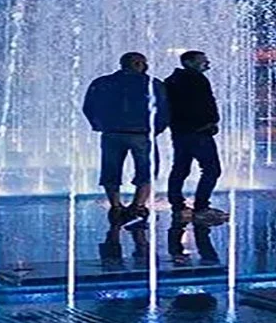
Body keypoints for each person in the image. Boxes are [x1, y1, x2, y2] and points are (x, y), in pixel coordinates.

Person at [83, 52, 169, 225]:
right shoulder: (152, 83)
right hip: (141, 133)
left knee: (111, 169)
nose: (145, 66)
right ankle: (138, 205)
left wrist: (99, 125)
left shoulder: (102, 82)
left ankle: (116, 206)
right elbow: (164, 108)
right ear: (138, 64)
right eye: (144, 63)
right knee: (146, 170)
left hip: (112, 133)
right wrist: (156, 129)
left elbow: (89, 106)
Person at [164, 50, 227, 223]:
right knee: (212, 169)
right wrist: (208, 122)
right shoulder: (195, 79)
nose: (208, 63)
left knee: (180, 168)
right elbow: (200, 105)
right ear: (188, 62)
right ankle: (201, 207)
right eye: (203, 61)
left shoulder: (171, 81)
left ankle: (177, 205)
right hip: (198, 131)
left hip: (180, 132)